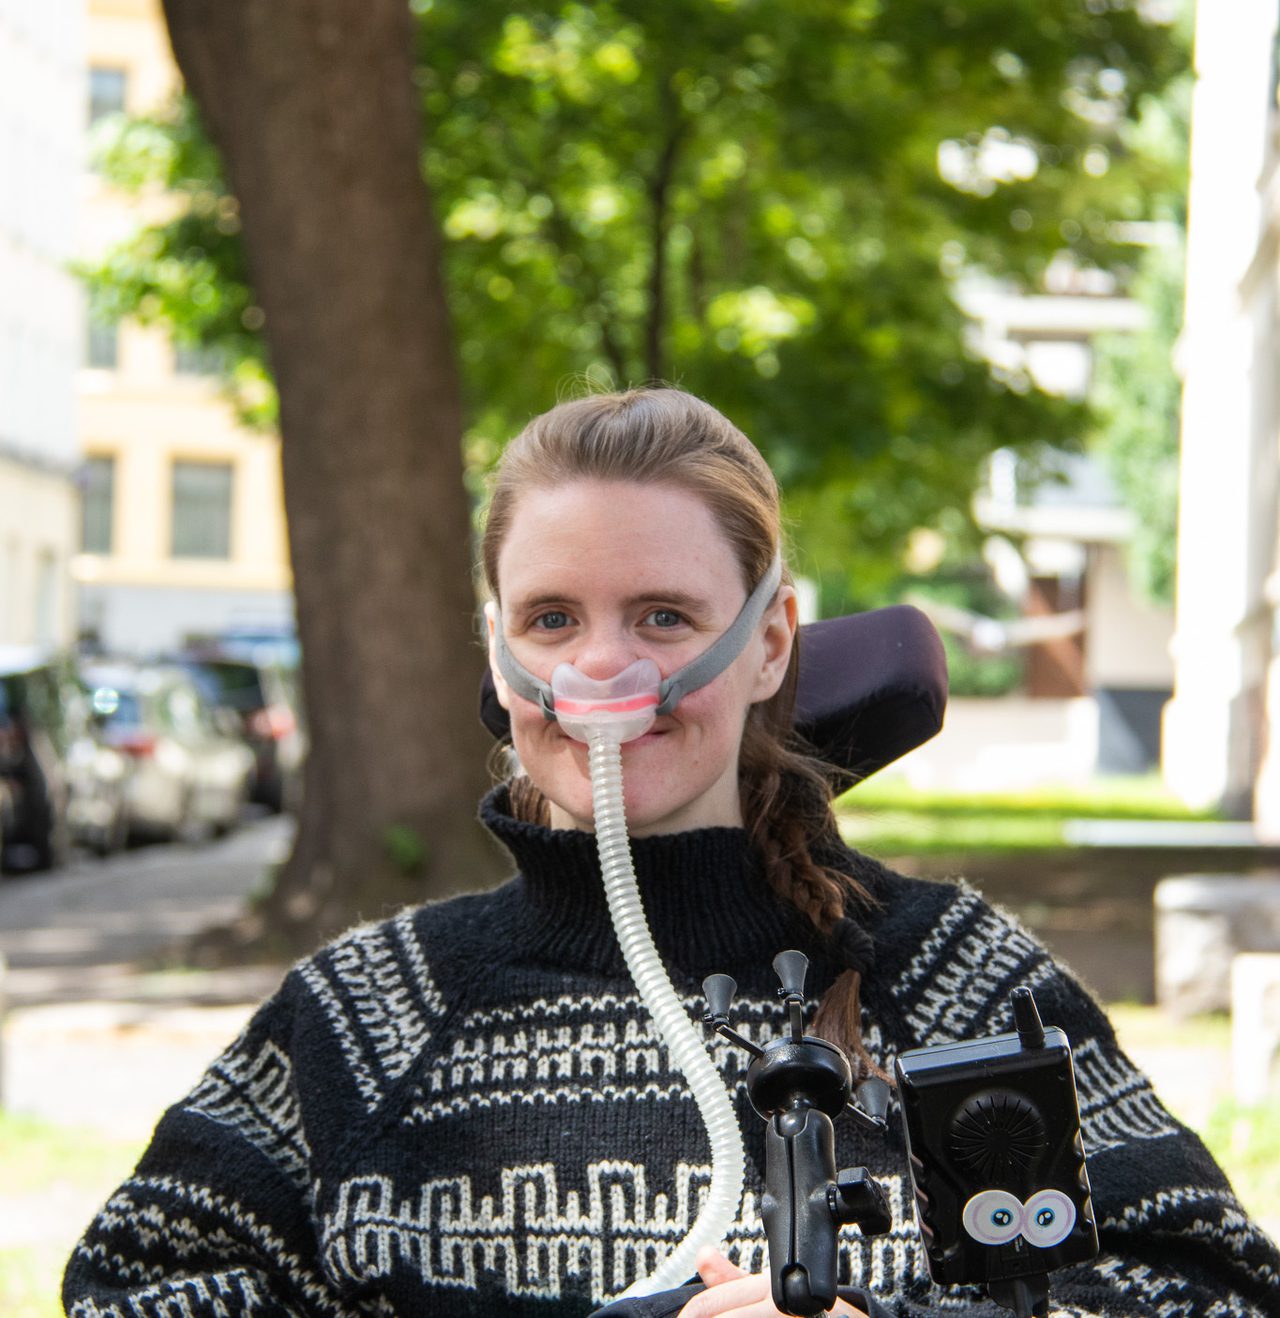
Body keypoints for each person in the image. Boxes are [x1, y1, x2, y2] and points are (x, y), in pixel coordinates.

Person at [64, 388, 1279, 1318]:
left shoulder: (956, 984)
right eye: (552, 619)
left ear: (766, 643)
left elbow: (1216, 1289)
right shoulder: (371, 1014)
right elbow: (133, 1287)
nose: (604, 673)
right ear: (498, 655)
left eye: (662, 616)